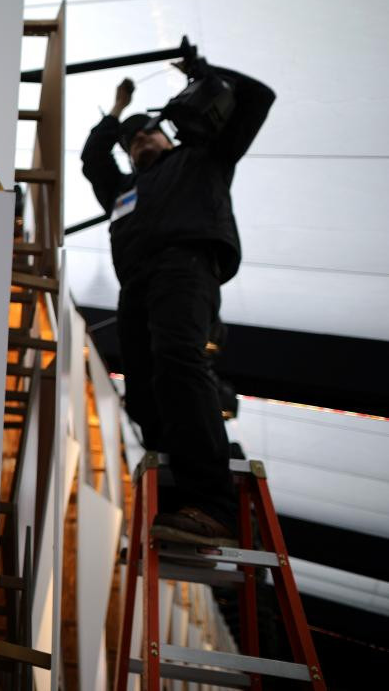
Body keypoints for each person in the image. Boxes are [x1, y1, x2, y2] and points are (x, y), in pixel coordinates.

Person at [81, 61, 275, 545]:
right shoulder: (124, 190)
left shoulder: (203, 158)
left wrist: (205, 72)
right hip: (137, 286)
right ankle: (179, 504)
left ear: (167, 135)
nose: (140, 141)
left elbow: (257, 98)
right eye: (132, 142)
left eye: (148, 134)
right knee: (143, 389)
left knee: (178, 361)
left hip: (186, 267)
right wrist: (118, 111)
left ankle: (213, 505)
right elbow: (91, 156)